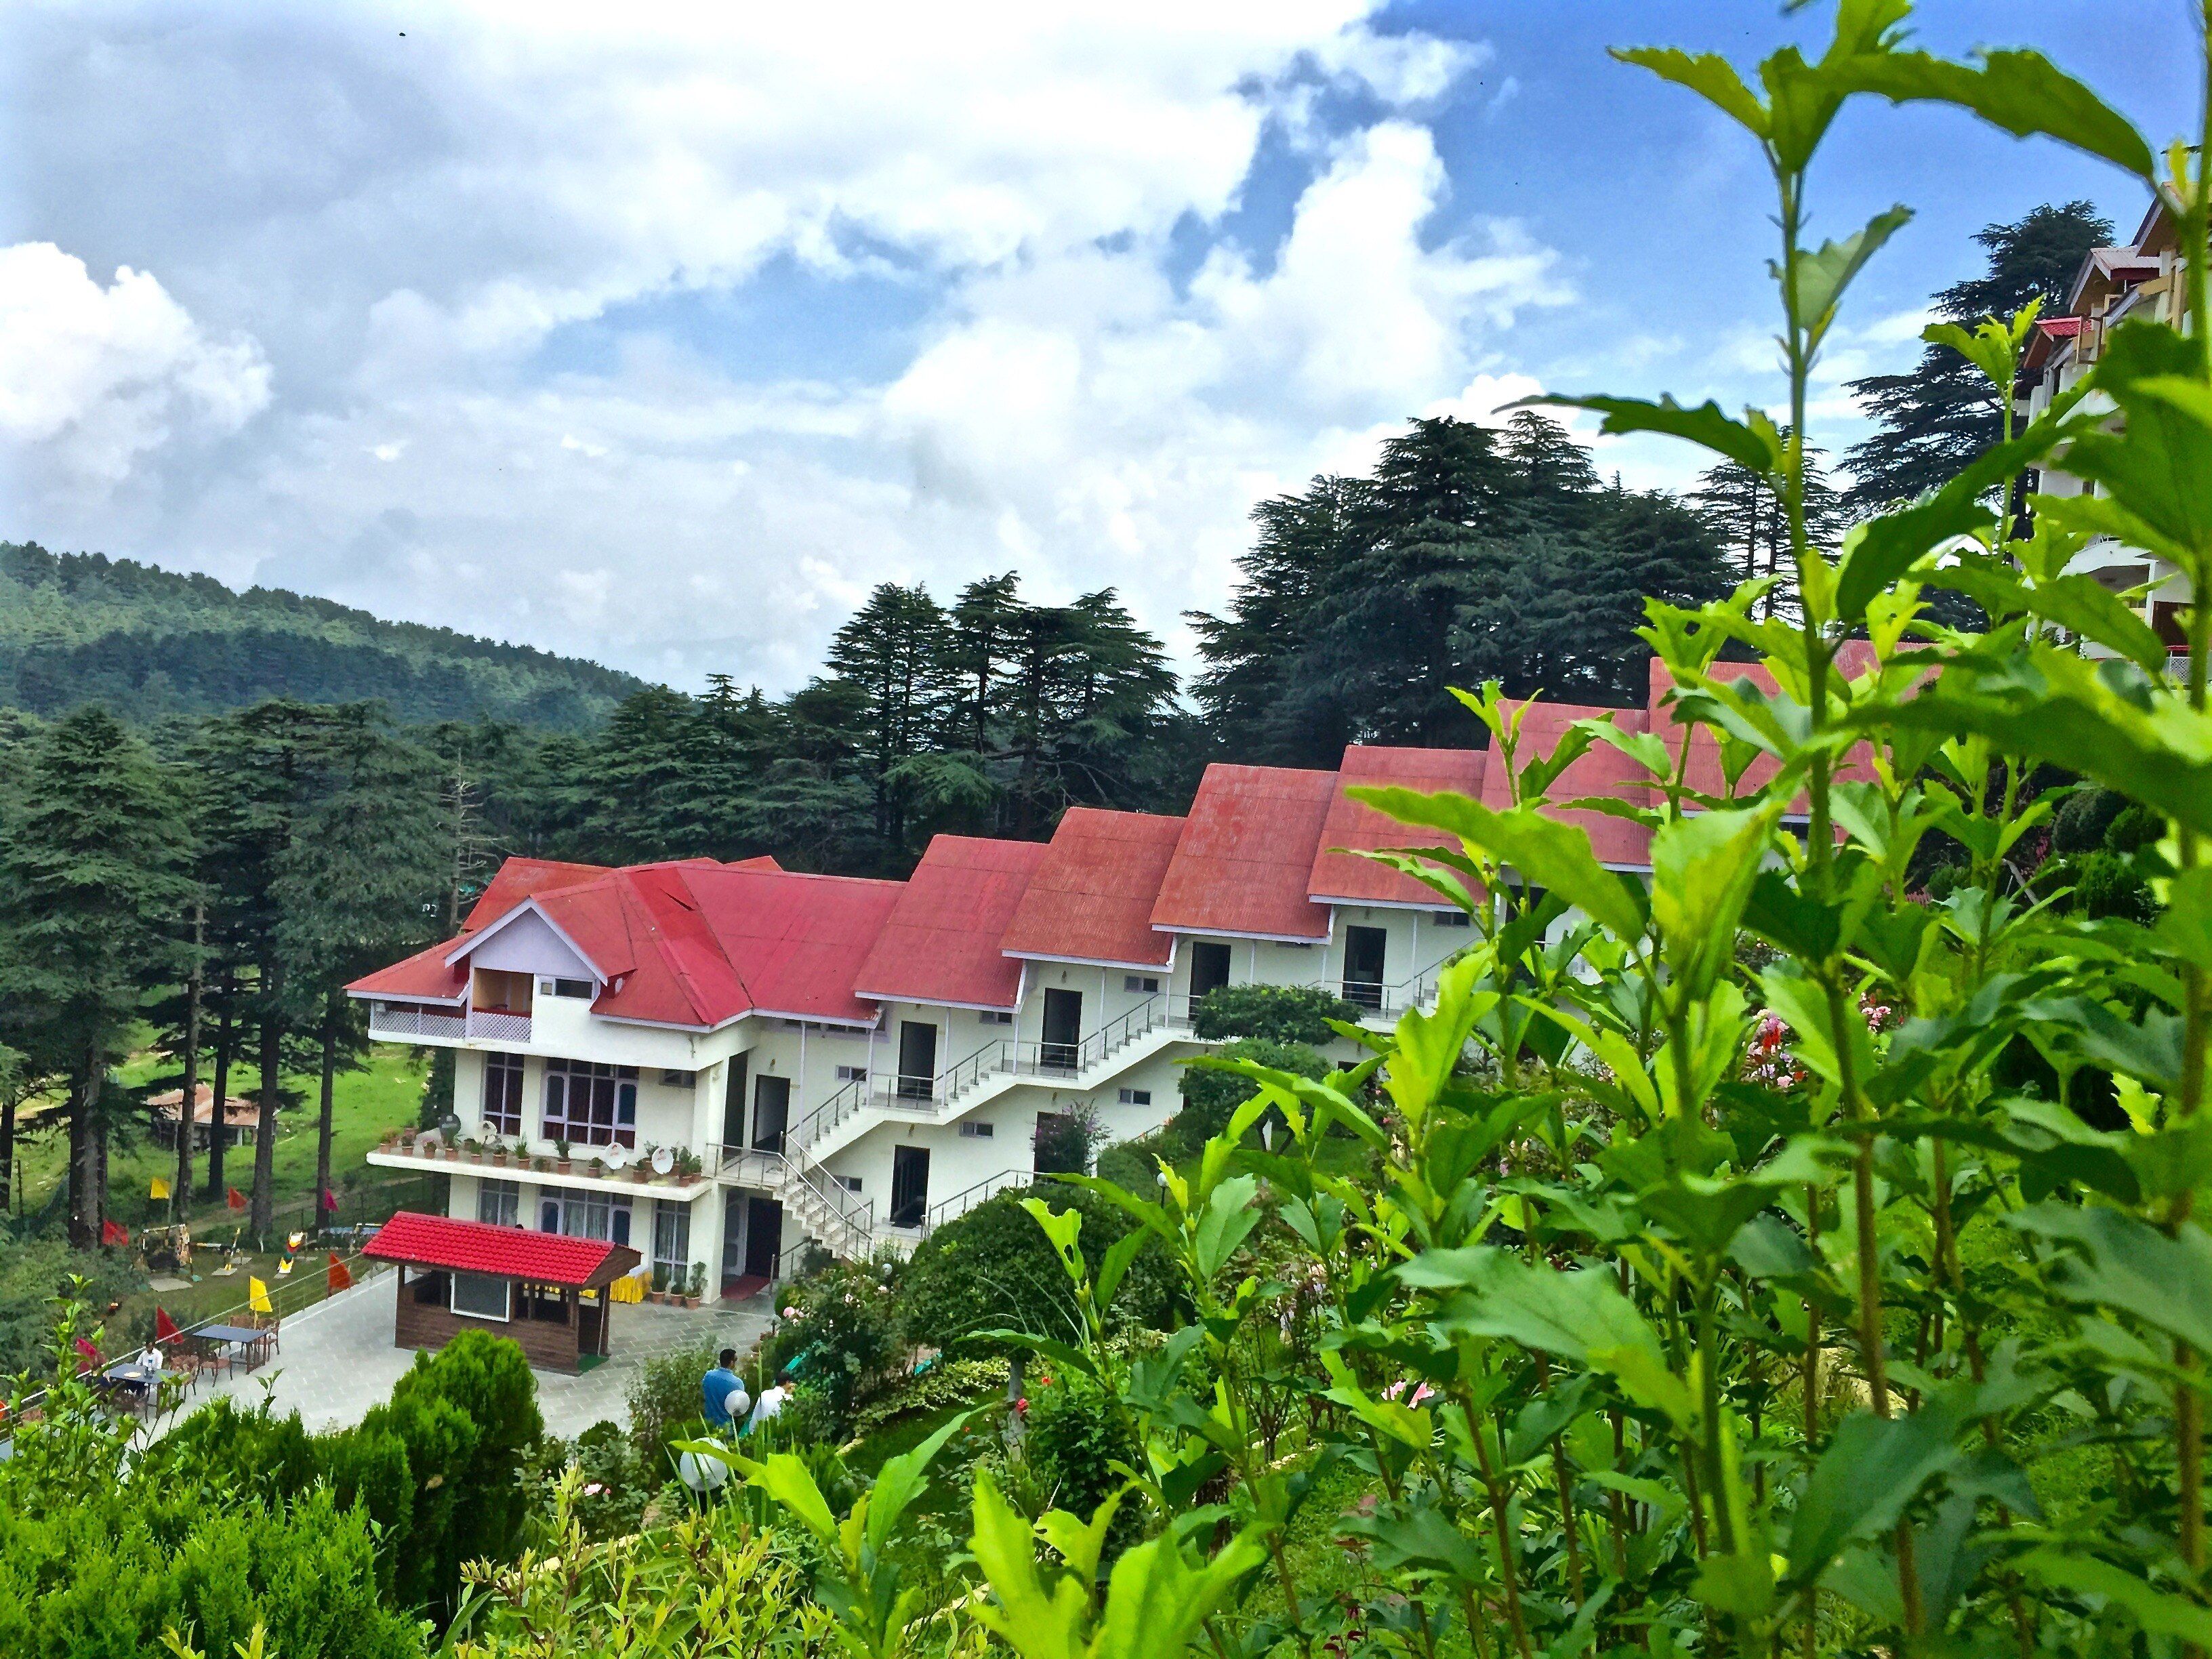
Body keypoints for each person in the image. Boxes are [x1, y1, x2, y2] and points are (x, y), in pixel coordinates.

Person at [701, 1349, 750, 1431]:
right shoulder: (737, 1383)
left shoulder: (708, 1376)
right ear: (731, 1363)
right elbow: (740, 1408)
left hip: (708, 1424)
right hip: (726, 1427)